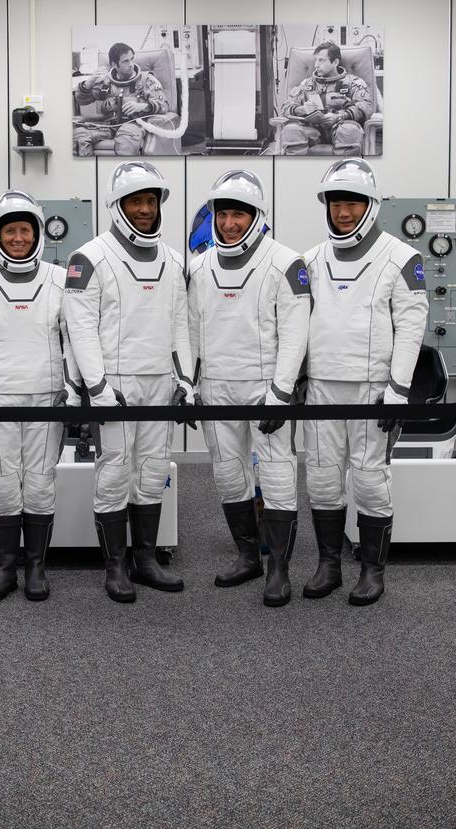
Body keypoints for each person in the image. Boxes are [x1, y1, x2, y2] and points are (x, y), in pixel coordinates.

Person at [63, 161, 195, 603]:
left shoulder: (175, 260)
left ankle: (146, 560)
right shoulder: (90, 258)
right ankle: (115, 566)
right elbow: (79, 328)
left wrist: (186, 380)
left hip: (160, 381)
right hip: (114, 386)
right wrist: (97, 389)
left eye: (150, 201)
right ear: (117, 205)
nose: (144, 210)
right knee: (115, 471)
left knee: (153, 471)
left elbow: (181, 325)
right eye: (135, 201)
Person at [302, 158, 429, 606]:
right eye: (336, 203)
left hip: (374, 392)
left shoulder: (402, 258)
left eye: (353, 202)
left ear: (370, 205)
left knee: (371, 481)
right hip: (320, 389)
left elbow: (412, 328)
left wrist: (397, 390)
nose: (344, 212)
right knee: (321, 479)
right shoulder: (311, 260)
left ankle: (372, 571)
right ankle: (329, 566)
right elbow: (296, 323)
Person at [186, 170, 311, 607]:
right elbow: (191, 330)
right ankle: (247, 556)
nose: (230, 223)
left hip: (265, 389)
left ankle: (278, 568)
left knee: (277, 475)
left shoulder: (286, 263)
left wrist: (280, 392)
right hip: (216, 388)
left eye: (239, 214)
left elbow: (295, 335)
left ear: (256, 216)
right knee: (227, 472)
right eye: (224, 214)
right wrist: (189, 384)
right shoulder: (198, 267)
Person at [0, 191, 71, 604]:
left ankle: (36, 566)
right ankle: (6, 568)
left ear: (37, 232)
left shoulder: (59, 279)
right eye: (10, 230)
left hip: (47, 396)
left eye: (25, 229)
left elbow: (73, 338)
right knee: (3, 485)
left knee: (39, 483)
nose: (18, 238)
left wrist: (72, 390)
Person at [278, 41, 375, 155]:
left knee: (349, 131)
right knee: (291, 130)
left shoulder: (353, 82)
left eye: (321, 60)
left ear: (335, 62)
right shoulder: (307, 84)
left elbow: (367, 107)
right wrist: (302, 109)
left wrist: (340, 116)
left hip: (341, 128)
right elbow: (286, 107)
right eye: (316, 60)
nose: (316, 65)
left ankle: (343, 170)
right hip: (312, 131)